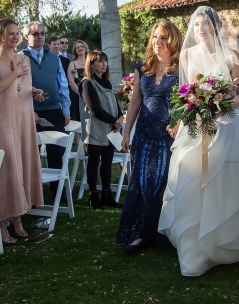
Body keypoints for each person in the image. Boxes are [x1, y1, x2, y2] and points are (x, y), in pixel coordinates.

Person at [160, 6, 239, 277]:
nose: (200, 28)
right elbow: (186, 92)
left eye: (205, 24)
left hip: (226, 126)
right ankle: (195, 247)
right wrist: (183, 117)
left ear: (215, 27)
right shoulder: (186, 55)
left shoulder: (231, 55)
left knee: (231, 181)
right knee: (194, 179)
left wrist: (222, 105)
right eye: (196, 24)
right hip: (197, 128)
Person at [118, 21, 181, 252]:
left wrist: (177, 122)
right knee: (142, 182)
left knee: (163, 182)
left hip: (168, 135)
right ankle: (138, 234)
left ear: (172, 40)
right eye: (155, 36)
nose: (158, 41)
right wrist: (127, 131)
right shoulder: (142, 67)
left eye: (163, 37)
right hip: (144, 132)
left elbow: (187, 100)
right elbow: (135, 101)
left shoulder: (181, 67)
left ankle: (162, 233)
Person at [0, 19, 45, 244]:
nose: (14, 37)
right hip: (5, 120)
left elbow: (24, 87)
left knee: (22, 167)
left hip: (24, 119)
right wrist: (14, 73)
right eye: (10, 33)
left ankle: (18, 219)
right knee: (7, 170)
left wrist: (36, 91)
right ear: (0, 36)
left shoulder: (24, 59)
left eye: (16, 33)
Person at [20, 22, 71, 195]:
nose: (40, 36)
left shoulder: (54, 57)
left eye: (42, 33)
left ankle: (58, 193)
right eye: (35, 34)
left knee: (56, 151)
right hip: (29, 111)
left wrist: (66, 110)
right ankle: (31, 193)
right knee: (29, 154)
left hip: (53, 110)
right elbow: (18, 88)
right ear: (27, 37)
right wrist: (27, 109)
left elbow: (63, 85)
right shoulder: (20, 58)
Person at [80, 50, 123, 210]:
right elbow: (95, 109)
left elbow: (114, 103)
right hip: (95, 129)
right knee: (94, 163)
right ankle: (94, 197)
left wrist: (119, 118)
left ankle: (107, 195)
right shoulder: (87, 83)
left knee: (107, 163)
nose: (104, 64)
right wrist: (114, 121)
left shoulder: (107, 82)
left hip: (110, 129)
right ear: (91, 64)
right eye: (99, 61)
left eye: (105, 61)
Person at [66, 39, 88, 135]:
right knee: (77, 121)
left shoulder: (91, 62)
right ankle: (78, 146)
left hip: (90, 95)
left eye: (81, 46)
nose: (80, 48)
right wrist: (81, 94)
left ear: (85, 48)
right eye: (77, 47)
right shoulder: (72, 64)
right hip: (77, 96)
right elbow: (71, 82)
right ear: (75, 50)